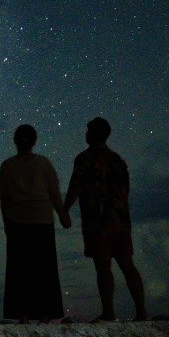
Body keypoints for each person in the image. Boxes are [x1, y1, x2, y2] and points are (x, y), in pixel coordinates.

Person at [63, 117, 148, 321]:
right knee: (127, 264)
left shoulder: (84, 158)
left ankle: (109, 312)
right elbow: (125, 191)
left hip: (98, 220)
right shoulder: (118, 160)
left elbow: (76, 186)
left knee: (103, 266)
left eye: (88, 131)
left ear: (92, 134)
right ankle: (141, 312)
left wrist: (64, 209)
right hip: (120, 219)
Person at [0, 124, 72, 323]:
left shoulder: (7, 166)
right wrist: (63, 214)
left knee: (19, 269)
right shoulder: (43, 163)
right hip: (41, 221)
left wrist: (6, 223)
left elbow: (4, 198)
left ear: (15, 141)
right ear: (34, 141)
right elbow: (54, 192)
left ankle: (22, 313)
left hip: (17, 221)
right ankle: (45, 313)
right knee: (43, 268)